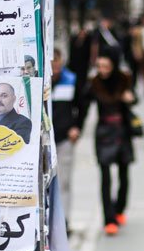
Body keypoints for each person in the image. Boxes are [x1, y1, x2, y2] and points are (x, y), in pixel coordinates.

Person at [73, 52, 136, 236]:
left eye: (106, 66)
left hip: (123, 130)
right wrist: (77, 127)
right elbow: (83, 108)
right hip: (104, 132)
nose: (102, 70)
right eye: (99, 66)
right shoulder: (95, 84)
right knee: (105, 175)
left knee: (124, 172)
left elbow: (134, 98)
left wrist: (130, 99)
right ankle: (109, 219)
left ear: (114, 66)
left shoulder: (124, 80)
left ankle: (120, 209)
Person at [50, 48, 81, 221]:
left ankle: (64, 220)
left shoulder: (70, 80)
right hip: (44, 140)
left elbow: (81, 105)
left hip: (64, 138)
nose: (55, 69)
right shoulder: (41, 81)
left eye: (57, 65)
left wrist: (76, 127)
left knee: (64, 181)